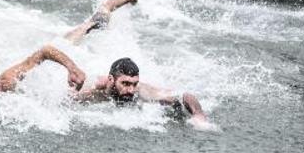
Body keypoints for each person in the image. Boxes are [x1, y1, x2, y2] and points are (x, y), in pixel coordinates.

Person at [0, 0, 138, 95]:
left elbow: (45, 51)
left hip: (58, 54)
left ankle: (112, 3)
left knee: (93, 26)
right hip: (49, 68)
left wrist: (72, 69)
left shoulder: (8, 80)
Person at [72, 57, 209, 125]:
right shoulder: (92, 90)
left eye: (134, 83)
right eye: (125, 83)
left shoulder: (140, 90)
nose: (131, 90)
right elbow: (65, 100)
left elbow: (184, 96)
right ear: (111, 79)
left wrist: (199, 114)